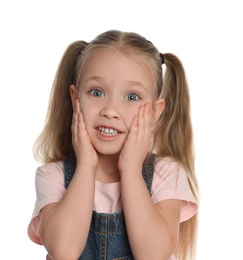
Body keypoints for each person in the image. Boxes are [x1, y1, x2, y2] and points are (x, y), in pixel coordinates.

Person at [28, 30, 198, 260]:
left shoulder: (165, 174)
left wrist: (130, 170)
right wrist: (86, 165)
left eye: (131, 97)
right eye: (96, 92)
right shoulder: (53, 176)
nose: (110, 110)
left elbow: (153, 255)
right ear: (74, 98)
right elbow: (64, 251)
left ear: (155, 112)